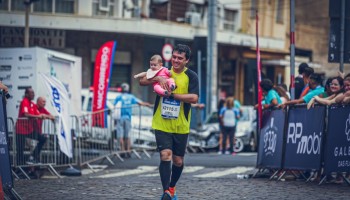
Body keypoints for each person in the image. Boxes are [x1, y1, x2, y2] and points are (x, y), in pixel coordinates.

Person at [139, 44, 199, 200]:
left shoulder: (191, 76)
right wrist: (158, 77)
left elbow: (194, 98)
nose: (176, 60)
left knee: (178, 161)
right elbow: (142, 81)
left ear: (187, 60)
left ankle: (172, 187)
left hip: (181, 125)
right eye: (174, 57)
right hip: (162, 122)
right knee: (165, 155)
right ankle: (166, 192)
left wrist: (173, 96)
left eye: (180, 58)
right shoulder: (163, 71)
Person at [113, 83, 150, 156]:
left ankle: (122, 151)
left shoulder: (118, 97)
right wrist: (147, 104)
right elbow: (140, 103)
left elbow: (115, 106)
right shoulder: (131, 97)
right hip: (127, 118)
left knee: (120, 135)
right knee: (127, 135)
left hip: (120, 118)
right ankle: (128, 151)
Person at [15, 88, 47, 164]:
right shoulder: (24, 102)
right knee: (20, 150)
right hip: (21, 130)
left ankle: (32, 157)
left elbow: (38, 114)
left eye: (33, 93)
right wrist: (39, 116)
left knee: (43, 138)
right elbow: (26, 114)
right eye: (31, 93)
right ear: (26, 94)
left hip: (29, 130)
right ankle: (19, 169)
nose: (33, 94)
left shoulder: (32, 104)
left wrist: (47, 116)